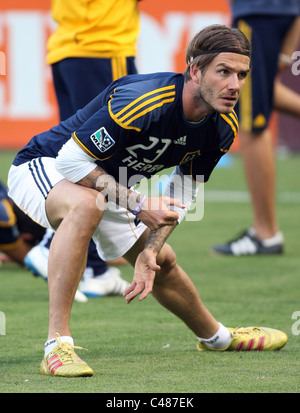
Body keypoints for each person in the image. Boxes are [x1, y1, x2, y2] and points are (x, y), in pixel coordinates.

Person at [7, 25, 288, 378]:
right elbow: (69, 161)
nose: (234, 85)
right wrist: (139, 204)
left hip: (104, 187)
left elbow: (182, 194)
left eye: (242, 75)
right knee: (84, 205)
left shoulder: (223, 125)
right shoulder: (143, 100)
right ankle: (57, 345)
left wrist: (150, 252)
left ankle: (218, 337)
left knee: (162, 263)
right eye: (224, 72)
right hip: (45, 165)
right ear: (195, 70)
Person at [24, 0, 143, 296]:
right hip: (102, 41)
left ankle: (93, 267)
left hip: (70, 44)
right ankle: (52, 244)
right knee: (107, 155)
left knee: (81, 150)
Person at [212, 0, 300, 256]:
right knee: (258, 94)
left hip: (258, 13)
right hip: (276, 11)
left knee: (251, 123)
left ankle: (266, 234)